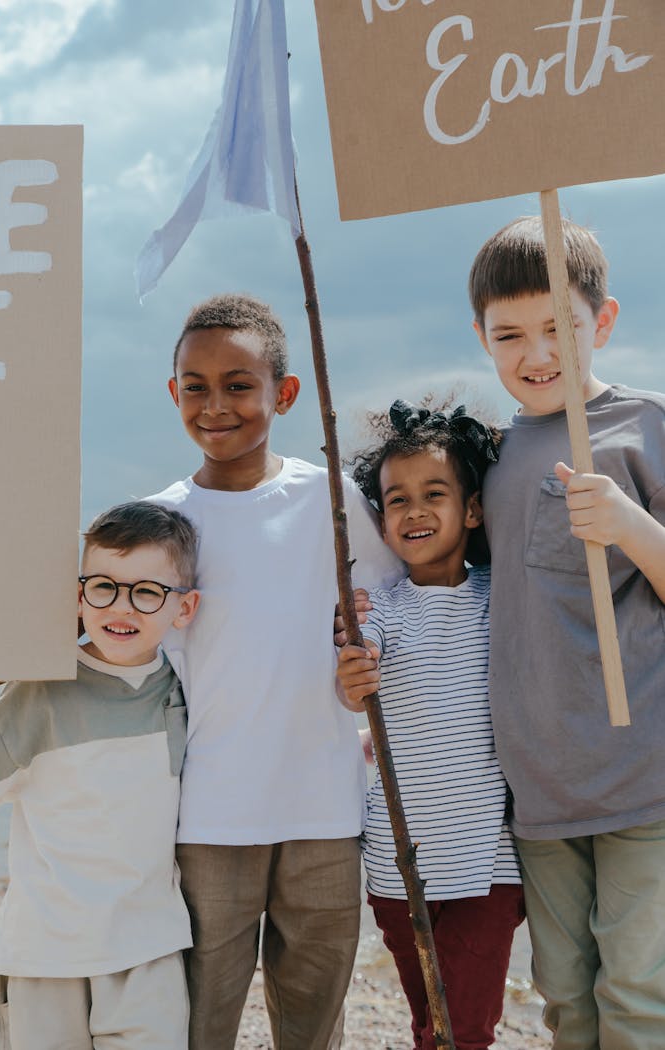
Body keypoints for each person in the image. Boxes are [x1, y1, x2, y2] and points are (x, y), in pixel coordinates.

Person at [148, 293, 402, 1050]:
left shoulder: (333, 502)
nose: (215, 404)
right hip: (206, 820)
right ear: (174, 394)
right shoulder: (158, 521)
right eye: (195, 385)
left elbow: (391, 604)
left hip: (325, 813)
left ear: (284, 394)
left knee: (313, 1027)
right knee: (198, 1025)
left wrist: (369, 652)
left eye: (238, 384)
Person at [468, 215, 665, 1050]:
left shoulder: (645, 426)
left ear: (604, 322)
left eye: (560, 328)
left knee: (638, 995)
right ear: (481, 338)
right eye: (508, 334)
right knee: (565, 999)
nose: (535, 351)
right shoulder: (493, 455)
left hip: (643, 772)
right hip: (538, 785)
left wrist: (628, 523)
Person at [0, 500, 200, 1050]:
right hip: (43, 954)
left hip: (149, 953)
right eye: (103, 586)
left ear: (184, 609)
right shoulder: (39, 695)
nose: (122, 606)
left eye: (147, 591)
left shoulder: (189, 689)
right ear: (77, 595)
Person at [336, 397, 524, 1050]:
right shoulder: (377, 607)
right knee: (430, 1025)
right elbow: (357, 680)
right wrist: (355, 675)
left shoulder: (499, 597)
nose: (414, 510)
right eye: (397, 499)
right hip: (397, 870)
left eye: (434, 493)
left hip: (489, 868)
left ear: (472, 510)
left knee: (462, 1029)